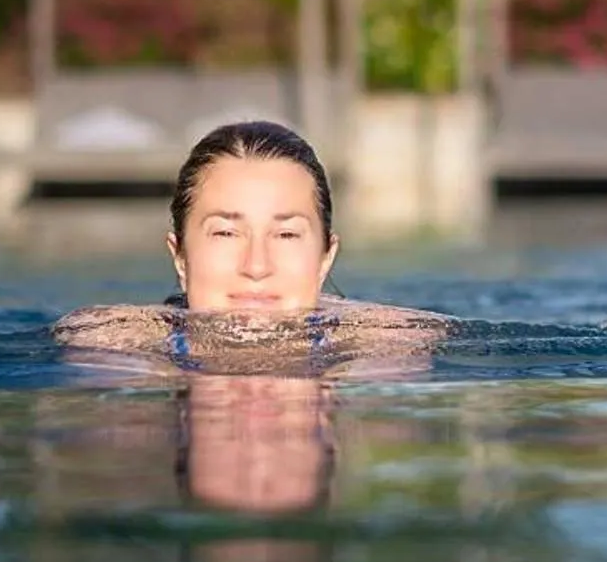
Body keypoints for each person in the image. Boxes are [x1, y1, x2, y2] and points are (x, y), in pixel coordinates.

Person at [53, 119, 449, 372]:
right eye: (226, 233)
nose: (256, 266)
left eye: (287, 234)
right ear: (180, 256)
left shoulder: (387, 342)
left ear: (325, 259)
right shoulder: (113, 341)